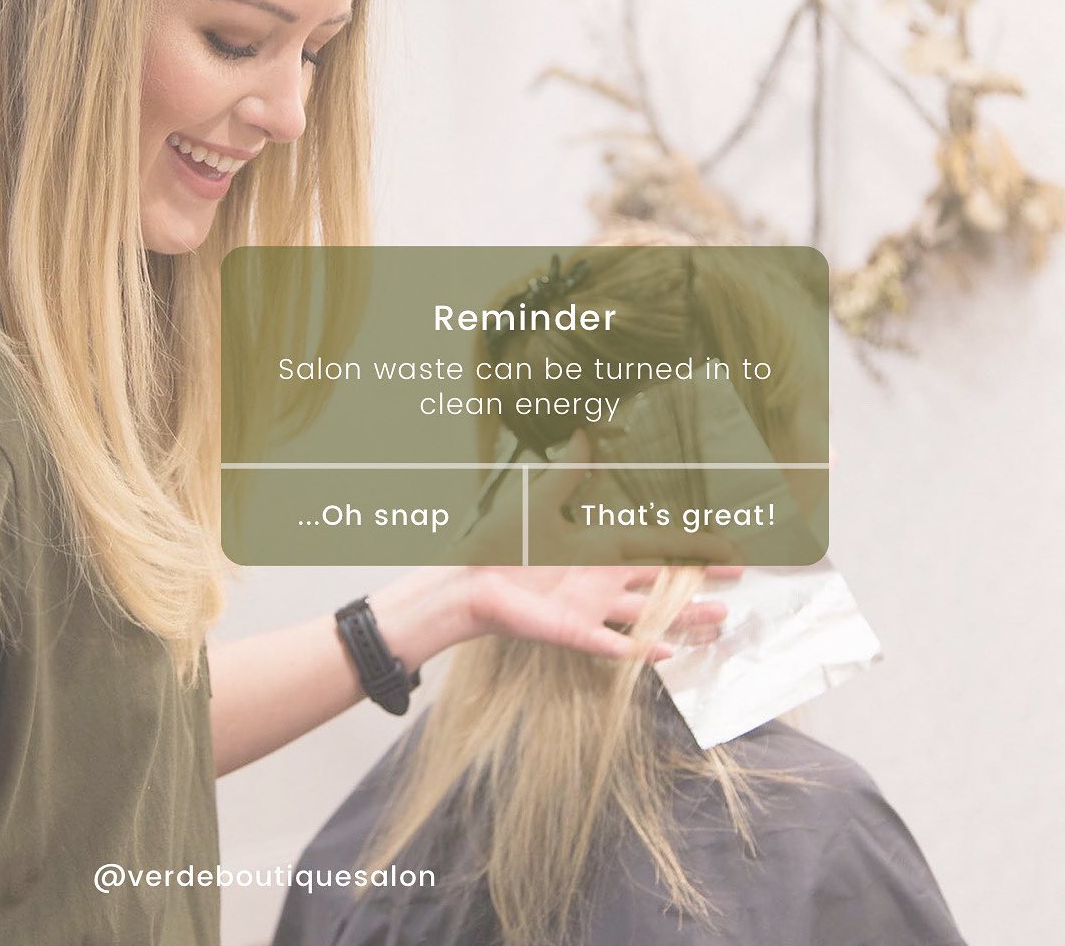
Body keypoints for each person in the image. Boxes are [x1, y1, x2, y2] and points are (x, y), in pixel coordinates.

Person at [0, 0, 735, 944]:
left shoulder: (68, 379)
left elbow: (93, 753)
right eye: (237, 40)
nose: (292, 114)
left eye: (315, 52)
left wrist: (447, 601)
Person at [274, 243, 969, 945]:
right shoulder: (818, 839)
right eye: (799, 421)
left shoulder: (364, 848)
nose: (828, 461)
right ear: (726, 471)